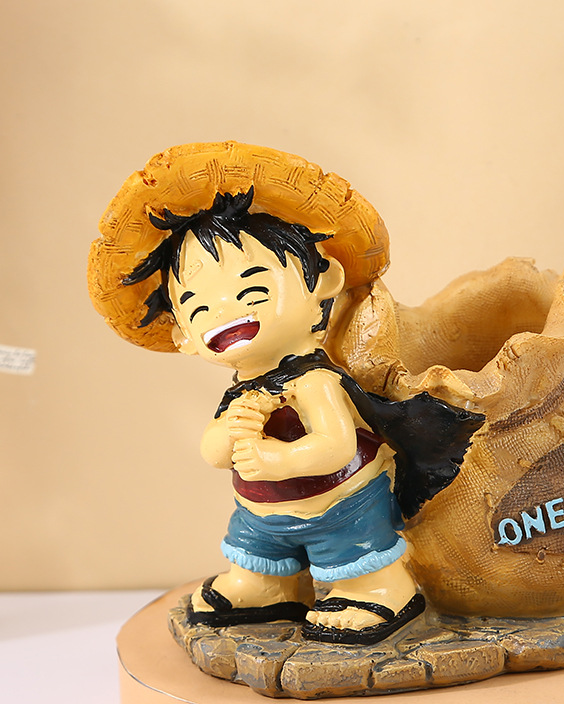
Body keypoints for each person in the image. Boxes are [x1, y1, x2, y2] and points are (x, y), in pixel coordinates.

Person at [94, 146, 483, 645]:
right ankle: (265, 586)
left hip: (340, 505)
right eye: (197, 304)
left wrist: (274, 459)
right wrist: (231, 435)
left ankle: (376, 590)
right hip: (261, 512)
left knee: (351, 550)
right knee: (254, 545)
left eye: (251, 288)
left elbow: (335, 447)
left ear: (323, 281)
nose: (224, 311)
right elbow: (213, 451)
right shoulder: (241, 392)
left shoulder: (313, 382)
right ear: (183, 336)